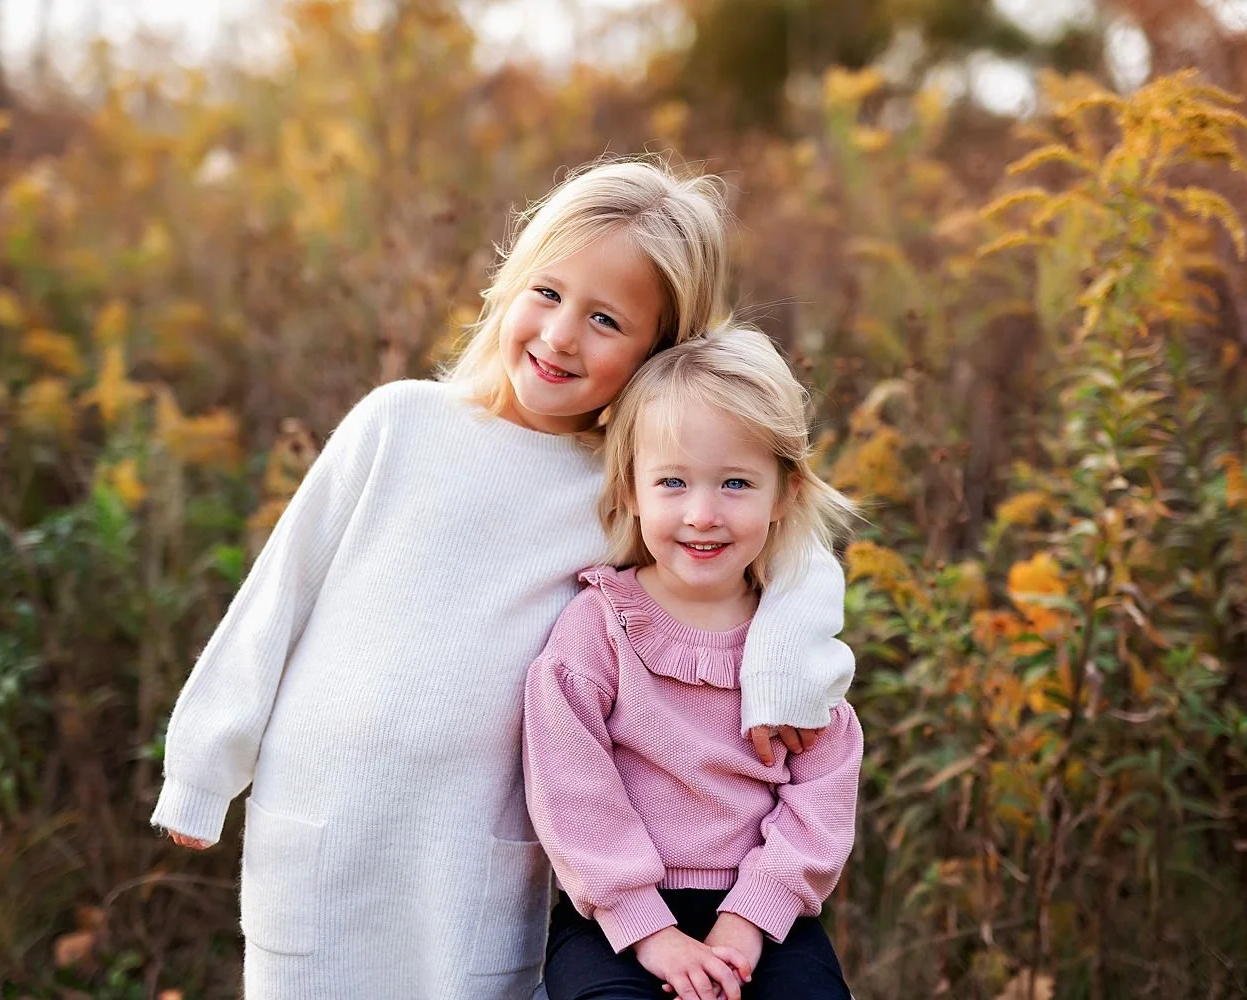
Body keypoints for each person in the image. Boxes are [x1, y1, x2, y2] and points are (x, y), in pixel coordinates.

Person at [150, 158, 855, 999]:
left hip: (471, 850)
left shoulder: (622, 486)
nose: (560, 336)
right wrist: (202, 767)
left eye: (605, 319)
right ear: (508, 284)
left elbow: (796, 558)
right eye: (547, 294)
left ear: (655, 353)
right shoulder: (398, 425)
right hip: (326, 829)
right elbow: (275, 599)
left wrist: (780, 676)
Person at [524, 325, 862, 1000]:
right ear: (631, 490)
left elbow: (823, 790)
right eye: (672, 482)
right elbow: (571, 787)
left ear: (785, 493)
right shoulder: (601, 629)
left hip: (765, 913)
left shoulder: (792, 644)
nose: (702, 514)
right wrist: (649, 929)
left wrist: (748, 919)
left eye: (736, 483)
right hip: (616, 919)